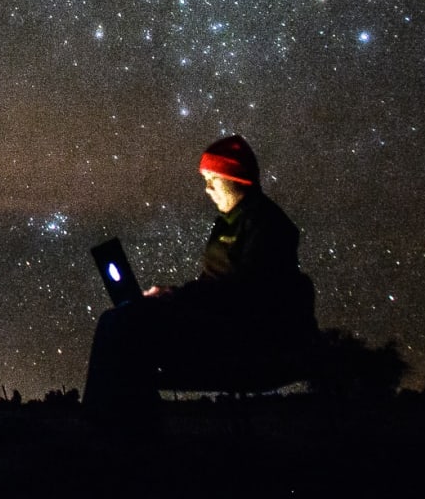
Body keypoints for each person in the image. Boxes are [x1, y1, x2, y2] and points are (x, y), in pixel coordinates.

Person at [82, 134, 317, 423]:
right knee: (123, 319)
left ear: (236, 178)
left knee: (120, 324)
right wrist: (174, 294)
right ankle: (124, 426)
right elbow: (214, 285)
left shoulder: (267, 224)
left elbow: (245, 292)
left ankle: (109, 428)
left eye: (213, 179)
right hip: (216, 319)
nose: (207, 189)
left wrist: (178, 299)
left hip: (240, 331)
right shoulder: (227, 223)